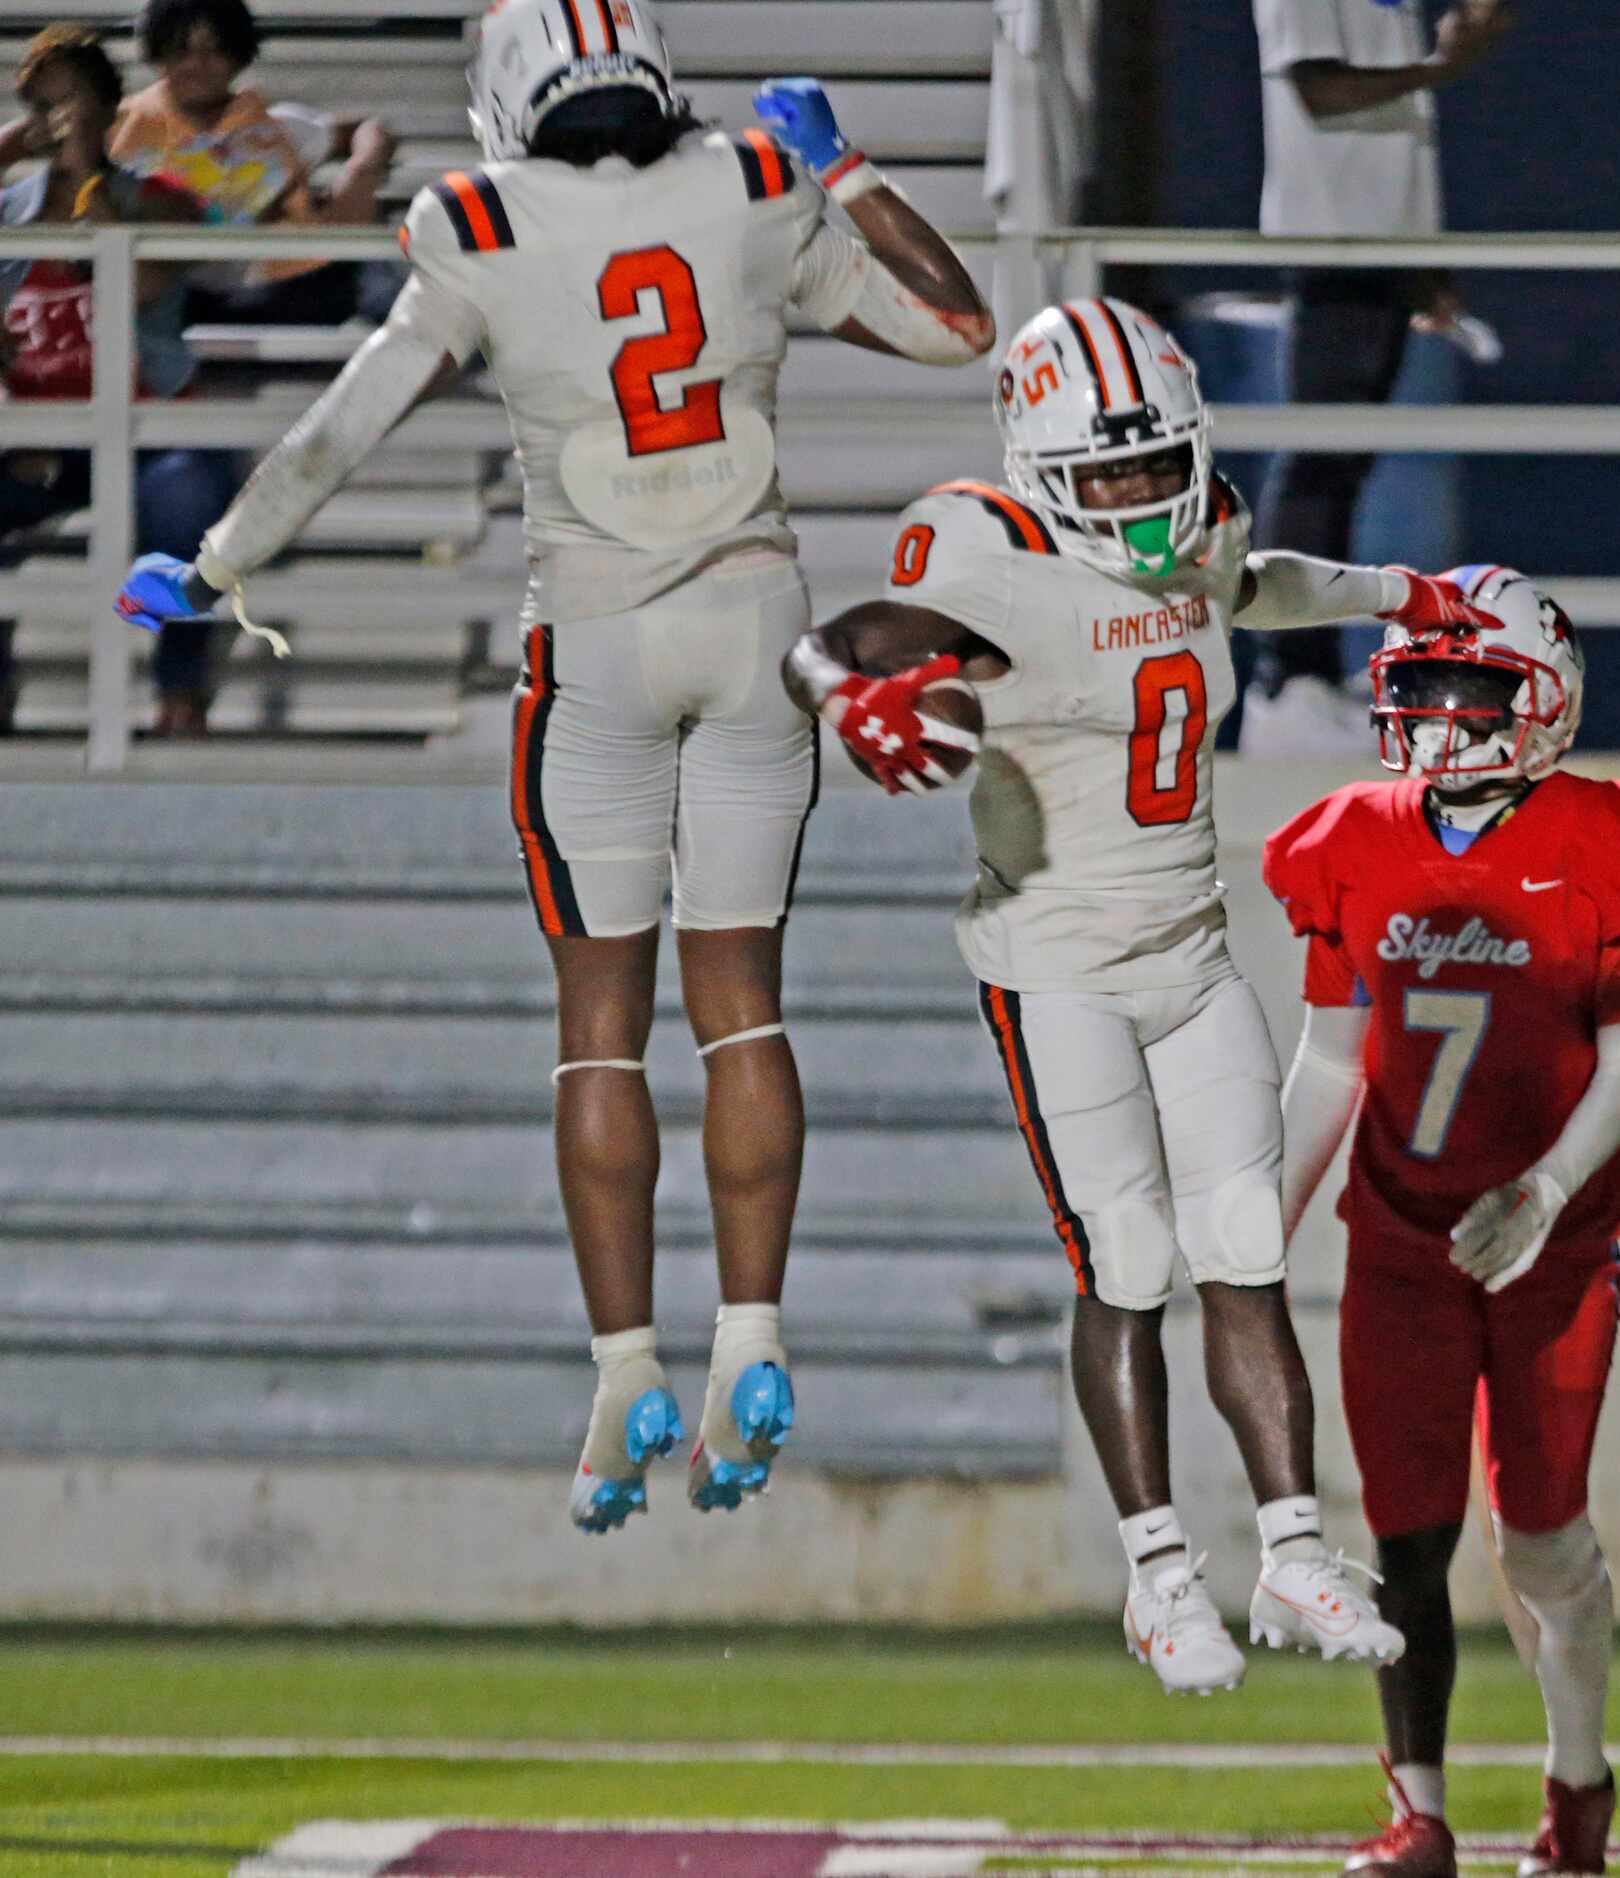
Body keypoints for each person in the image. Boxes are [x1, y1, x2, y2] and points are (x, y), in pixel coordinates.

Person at [114, 0, 993, 1526]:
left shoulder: (478, 219)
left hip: (591, 643)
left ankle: (624, 1369)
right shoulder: (751, 186)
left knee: (601, 1022)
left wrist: (215, 561)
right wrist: (843, 167)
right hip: (753, 613)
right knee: (742, 1009)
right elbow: (956, 326)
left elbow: (346, 422)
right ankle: (756, 1338)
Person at [780, 299, 1501, 1692]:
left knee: (1244, 1239)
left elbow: (1246, 584)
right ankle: (1160, 1575)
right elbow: (846, 632)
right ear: (1041, 468)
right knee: (1126, 1257)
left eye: (1152, 462)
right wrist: (836, 695)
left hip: (1187, 949)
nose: (1134, 493)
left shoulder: (1201, 526)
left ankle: (1293, 1554)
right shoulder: (989, 560)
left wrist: (1400, 594)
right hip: (1055, 962)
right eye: (1103, 473)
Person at [1263, 566, 1620, 1874]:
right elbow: (1327, 1060)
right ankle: (1418, 1813)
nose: (1440, 718)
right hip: (1399, 1239)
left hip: (1555, 1247)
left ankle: (1577, 1781)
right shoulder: (1349, 835)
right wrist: (1262, 1219)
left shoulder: (1611, 842)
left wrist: (1544, 1190)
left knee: (1541, 1536)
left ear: (1544, 700)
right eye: (1417, 688)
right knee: (1406, 1532)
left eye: (1472, 689)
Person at [1239, 0, 1510, 756]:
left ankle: (1310, 674)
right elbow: (1319, 90)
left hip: (1381, 251)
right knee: (1317, 463)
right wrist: (1443, 65)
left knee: (1343, 464)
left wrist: (1422, 257)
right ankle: (1287, 678)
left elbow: (1398, 130)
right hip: (1332, 243)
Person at [0, 22, 239, 736]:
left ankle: (179, 692)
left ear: (109, 109)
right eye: (43, 106)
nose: (58, 119)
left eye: (73, 103)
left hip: (149, 429)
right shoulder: (9, 214)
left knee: (190, 504)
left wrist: (82, 174)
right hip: (46, 434)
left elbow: (137, 284)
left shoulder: (164, 200)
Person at [111, 0, 399, 325]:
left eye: (215, 49)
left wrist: (362, 169)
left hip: (285, 286)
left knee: (373, 268)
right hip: (180, 294)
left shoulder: (276, 127)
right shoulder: (122, 129)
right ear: (157, 54)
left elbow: (368, 128)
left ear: (238, 55)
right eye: (181, 49)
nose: (198, 64)